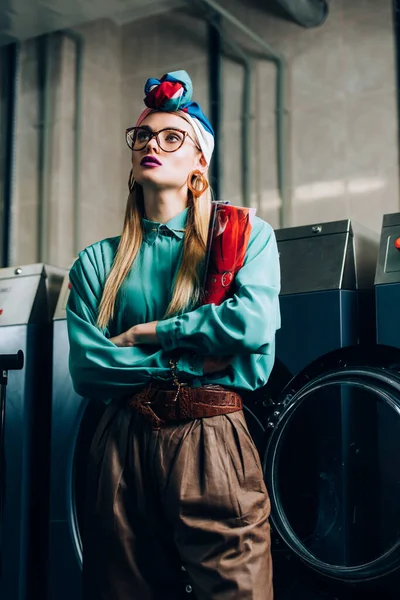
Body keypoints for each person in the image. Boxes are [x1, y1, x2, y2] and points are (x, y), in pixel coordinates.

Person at [66, 70, 281, 600]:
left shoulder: (243, 237)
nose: (152, 146)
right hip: (121, 442)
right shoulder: (97, 262)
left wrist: (151, 332)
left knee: (239, 590)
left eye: (171, 137)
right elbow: (88, 368)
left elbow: (252, 327)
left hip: (212, 438)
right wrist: (191, 357)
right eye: (143, 137)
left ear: (198, 162)